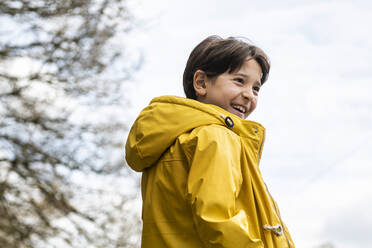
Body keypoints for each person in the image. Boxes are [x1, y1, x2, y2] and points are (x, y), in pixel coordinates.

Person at [125, 35, 295, 248]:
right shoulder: (216, 137)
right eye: (239, 81)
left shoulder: (171, 140)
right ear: (201, 82)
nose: (249, 95)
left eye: (256, 88)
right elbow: (218, 220)